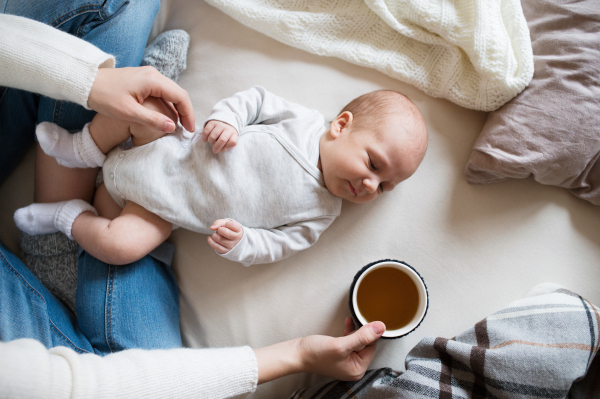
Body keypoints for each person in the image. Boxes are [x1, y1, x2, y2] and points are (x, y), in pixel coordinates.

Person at [15, 86, 429, 266]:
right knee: (151, 107)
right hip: (168, 148)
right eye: (374, 165)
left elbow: (278, 245)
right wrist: (228, 119)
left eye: (385, 186)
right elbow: (255, 99)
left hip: (159, 209)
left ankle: (66, 217)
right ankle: (79, 150)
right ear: (341, 126)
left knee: (119, 247)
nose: (372, 186)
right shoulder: (302, 123)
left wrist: (244, 243)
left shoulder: (322, 213)